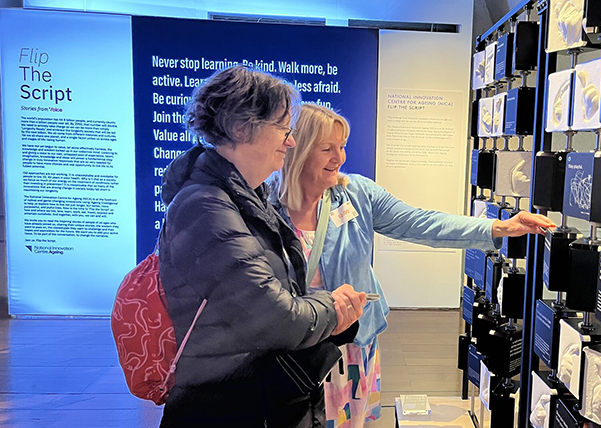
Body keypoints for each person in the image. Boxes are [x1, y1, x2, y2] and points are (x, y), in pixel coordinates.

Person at [268, 103, 557, 428]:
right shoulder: (264, 208)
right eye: (327, 149)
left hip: (348, 349)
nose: (340, 158)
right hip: (293, 350)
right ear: (298, 150)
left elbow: (421, 223)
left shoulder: (356, 195)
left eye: (342, 146)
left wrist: (499, 228)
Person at [158, 66, 366, 428]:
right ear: (241, 128)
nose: (289, 141)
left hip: (259, 398)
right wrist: (332, 307)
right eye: (283, 129)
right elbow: (276, 318)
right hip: (226, 407)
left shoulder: (246, 199)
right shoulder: (206, 207)